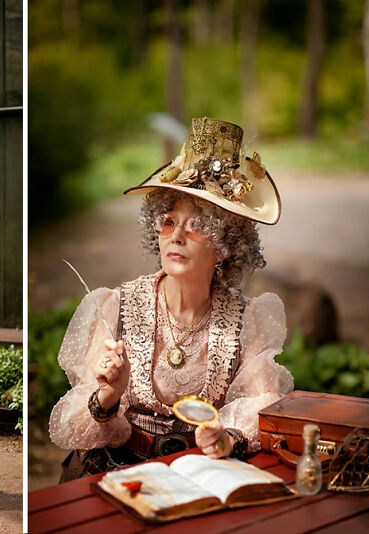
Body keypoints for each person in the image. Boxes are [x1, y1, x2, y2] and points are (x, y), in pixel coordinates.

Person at [49, 117, 294, 481]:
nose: (176, 236)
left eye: (196, 225)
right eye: (167, 221)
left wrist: (226, 439)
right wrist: (109, 394)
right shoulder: (115, 307)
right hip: (116, 476)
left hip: (201, 478)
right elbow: (79, 427)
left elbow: (264, 411)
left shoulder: (248, 319)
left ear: (225, 245)